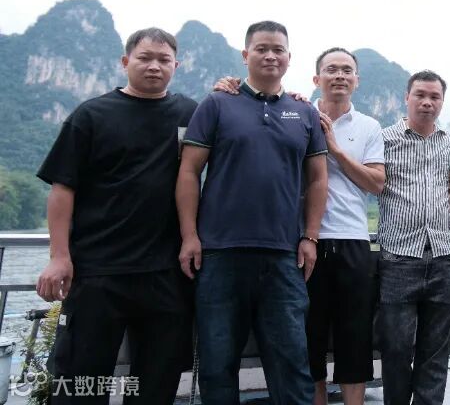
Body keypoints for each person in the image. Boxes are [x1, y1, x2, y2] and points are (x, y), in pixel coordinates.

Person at [36, 28, 197, 404]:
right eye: (145, 58)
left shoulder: (191, 113)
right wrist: (59, 256)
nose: (154, 66)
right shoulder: (91, 115)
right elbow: (62, 189)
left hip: (166, 274)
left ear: (176, 66)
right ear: (126, 62)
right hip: (98, 271)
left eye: (164, 60)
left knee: (157, 383)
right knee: (81, 380)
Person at [176, 21, 329, 405]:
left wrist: (310, 236)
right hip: (219, 254)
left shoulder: (303, 112)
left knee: (292, 365)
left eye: (278, 49)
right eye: (262, 48)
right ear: (246, 55)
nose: (270, 55)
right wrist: (190, 235)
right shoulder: (216, 104)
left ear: (289, 58)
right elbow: (189, 171)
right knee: (217, 364)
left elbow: (317, 180)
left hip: (283, 257)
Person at [377, 70, 450, 405]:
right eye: (420, 95)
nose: (427, 102)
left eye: (434, 97)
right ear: (406, 97)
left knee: (436, 352)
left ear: (442, 101)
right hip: (399, 257)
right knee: (396, 349)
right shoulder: (384, 139)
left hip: (444, 256)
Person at [306, 48, 385, 405]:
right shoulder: (298, 116)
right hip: (307, 240)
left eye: (347, 70)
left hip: (353, 242)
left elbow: (377, 183)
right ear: (317, 78)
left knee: (355, 336)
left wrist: (335, 150)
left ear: (357, 80)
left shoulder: (369, 126)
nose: (339, 75)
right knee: (309, 334)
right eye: (331, 69)